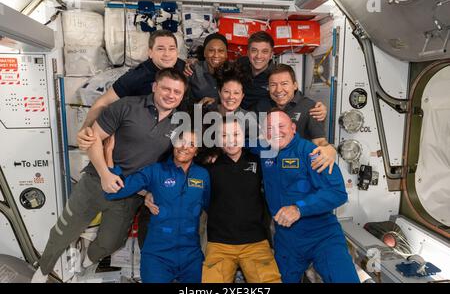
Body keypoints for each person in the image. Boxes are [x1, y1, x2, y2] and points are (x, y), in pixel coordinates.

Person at [31, 68, 187, 283]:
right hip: (95, 181)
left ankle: (87, 259)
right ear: (154, 87)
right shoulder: (127, 106)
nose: (171, 95)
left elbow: (168, 164)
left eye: (177, 92)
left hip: (130, 193)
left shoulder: (181, 123)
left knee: (111, 243)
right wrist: (105, 174)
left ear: (182, 95)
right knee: (64, 231)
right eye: (166, 89)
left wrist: (152, 192)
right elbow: (94, 138)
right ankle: (43, 270)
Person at [257, 110, 360, 283]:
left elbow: (338, 192)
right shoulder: (264, 150)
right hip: (287, 239)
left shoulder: (312, 153)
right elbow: (233, 142)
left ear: (293, 128)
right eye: (269, 128)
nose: (275, 132)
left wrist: (299, 208)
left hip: (322, 236)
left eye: (281, 126)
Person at [104, 131, 210, 283]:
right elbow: (113, 193)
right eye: (181, 141)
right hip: (158, 255)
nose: (184, 147)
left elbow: (212, 206)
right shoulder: (155, 170)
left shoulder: (203, 175)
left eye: (192, 144)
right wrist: (108, 153)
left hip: (191, 255)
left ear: (197, 151)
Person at [201, 119, 281, 283]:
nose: (230, 140)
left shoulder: (259, 161)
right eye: (224, 135)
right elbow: (181, 160)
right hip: (219, 244)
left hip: (256, 243)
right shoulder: (208, 166)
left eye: (236, 134)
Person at [77, 29, 185, 150]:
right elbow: (103, 102)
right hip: (140, 137)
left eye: (172, 48)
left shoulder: (182, 67)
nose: (167, 54)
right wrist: (85, 128)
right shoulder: (137, 76)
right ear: (150, 52)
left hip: (171, 130)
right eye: (160, 49)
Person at [263, 64, 337, 174]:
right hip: (272, 170)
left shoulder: (310, 107)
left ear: (295, 85)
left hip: (299, 173)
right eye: (273, 85)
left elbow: (319, 141)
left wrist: (330, 150)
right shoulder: (262, 105)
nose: (278, 90)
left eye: (284, 84)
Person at [236, 31, 325, 122]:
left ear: (271, 55)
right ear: (247, 53)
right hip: (237, 117)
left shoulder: (276, 75)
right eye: (254, 50)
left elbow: (293, 95)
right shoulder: (238, 67)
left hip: (262, 121)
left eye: (265, 51)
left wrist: (317, 108)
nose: (259, 56)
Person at [185, 33, 229, 105]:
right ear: (204, 52)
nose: (216, 55)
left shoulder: (234, 71)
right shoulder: (191, 71)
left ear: (226, 54)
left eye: (221, 51)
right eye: (211, 50)